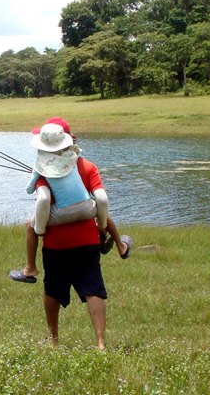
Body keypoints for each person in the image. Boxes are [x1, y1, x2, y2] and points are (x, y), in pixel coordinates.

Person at [11, 119, 131, 350]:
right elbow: (102, 200)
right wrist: (103, 227)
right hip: (87, 241)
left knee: (53, 290)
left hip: (56, 244)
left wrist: (40, 227)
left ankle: (54, 340)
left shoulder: (43, 172)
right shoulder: (88, 167)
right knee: (93, 288)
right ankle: (100, 342)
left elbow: (43, 201)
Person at [9, 118, 131, 284]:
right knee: (99, 206)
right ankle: (120, 246)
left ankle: (30, 267)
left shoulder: (43, 167)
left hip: (58, 232)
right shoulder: (85, 165)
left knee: (31, 227)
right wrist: (101, 226)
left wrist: (37, 175)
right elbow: (102, 199)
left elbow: (43, 197)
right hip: (88, 212)